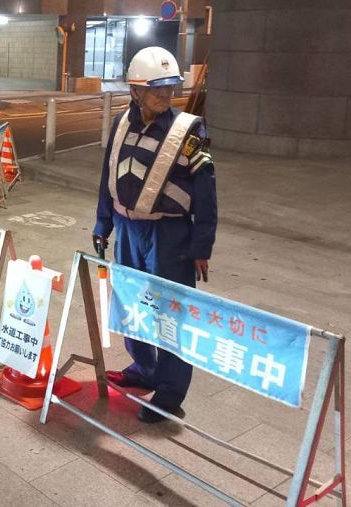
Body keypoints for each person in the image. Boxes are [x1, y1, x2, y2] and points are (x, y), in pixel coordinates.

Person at [94, 46, 217, 423]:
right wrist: (103, 224)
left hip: (170, 235)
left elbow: (206, 189)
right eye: (157, 88)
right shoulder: (120, 124)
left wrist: (201, 246)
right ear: (135, 91)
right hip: (128, 229)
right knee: (132, 304)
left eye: (170, 87)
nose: (166, 95)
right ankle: (144, 367)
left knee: (169, 312)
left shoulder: (190, 131)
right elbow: (108, 176)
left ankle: (169, 389)